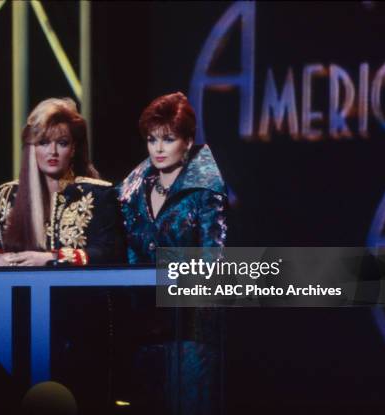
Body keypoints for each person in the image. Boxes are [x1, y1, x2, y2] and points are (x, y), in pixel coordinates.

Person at [116, 92, 227, 414]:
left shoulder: (206, 192)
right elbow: (126, 253)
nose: (159, 148)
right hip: (142, 324)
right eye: (152, 139)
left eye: (168, 139)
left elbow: (213, 259)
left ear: (188, 141)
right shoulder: (130, 192)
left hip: (191, 326)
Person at [0, 97, 122, 267]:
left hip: (75, 292)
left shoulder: (96, 195)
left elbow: (111, 253)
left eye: (62, 143)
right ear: (32, 148)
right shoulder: (7, 196)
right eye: (43, 143)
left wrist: (51, 258)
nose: (53, 152)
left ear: (73, 148)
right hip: (21, 291)